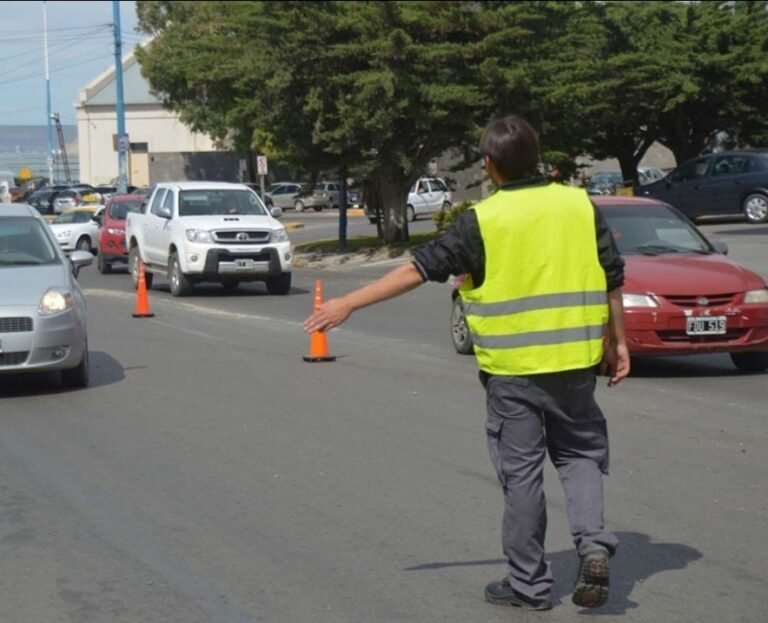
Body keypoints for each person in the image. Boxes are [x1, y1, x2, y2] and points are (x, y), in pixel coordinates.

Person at [304, 114, 630, 611]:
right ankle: (593, 544)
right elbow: (612, 276)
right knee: (580, 456)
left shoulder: (482, 220)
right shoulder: (578, 204)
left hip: (512, 373)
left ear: (490, 165)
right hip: (574, 364)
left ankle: (529, 585)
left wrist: (348, 303)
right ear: (537, 155)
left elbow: (419, 269)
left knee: (521, 476)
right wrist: (619, 343)